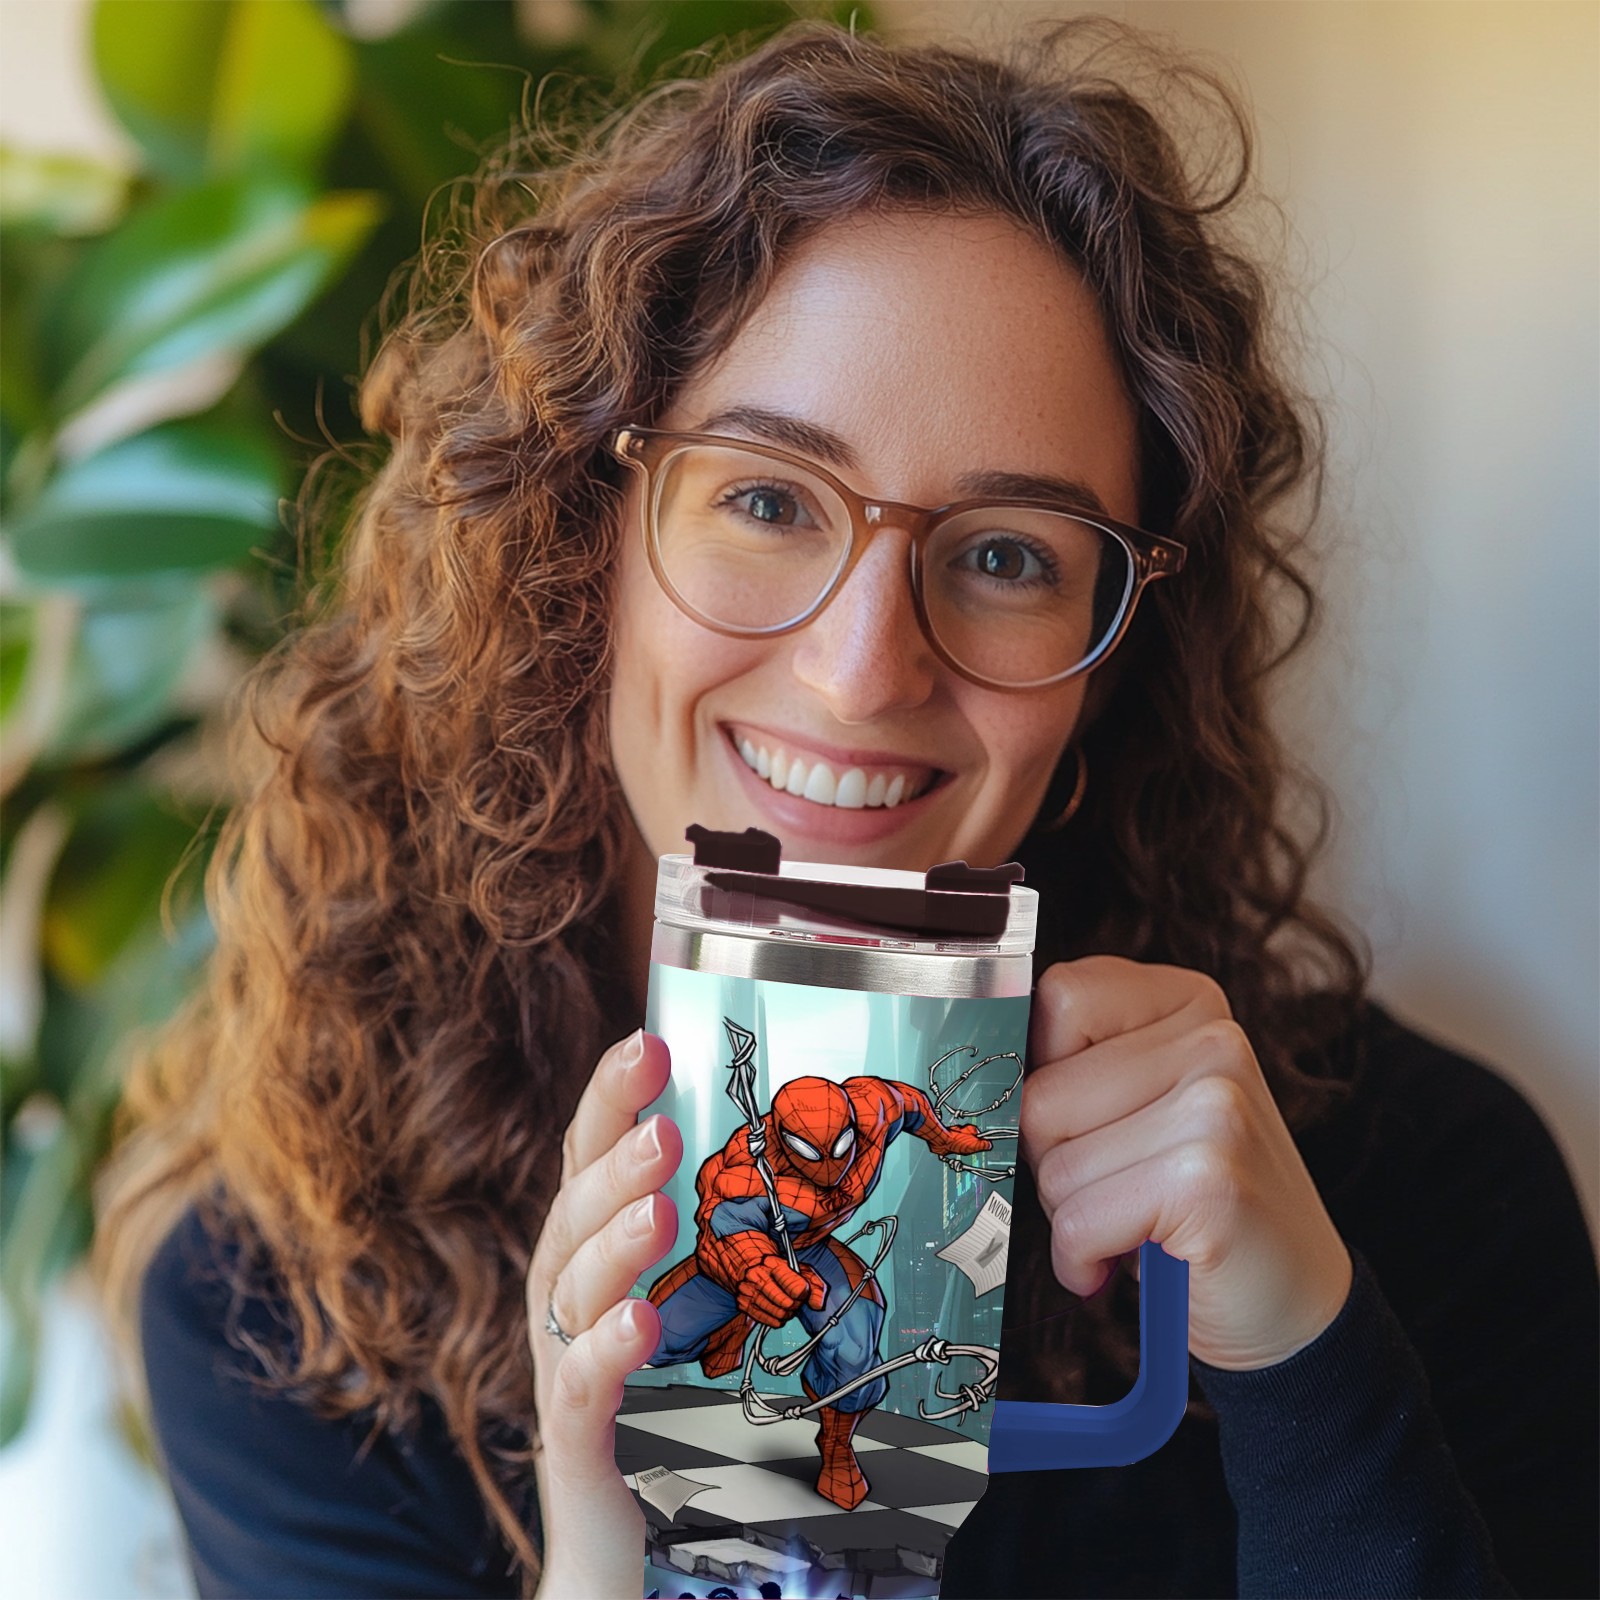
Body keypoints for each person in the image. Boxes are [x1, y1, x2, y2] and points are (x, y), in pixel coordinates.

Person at [95, 18, 1597, 1600]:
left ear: (1112, 663)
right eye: (765, 499)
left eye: (1007, 553)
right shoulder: (293, 1300)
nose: (864, 671)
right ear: (580, 551)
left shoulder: (1419, 1192)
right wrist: (606, 1559)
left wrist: (1307, 1370)